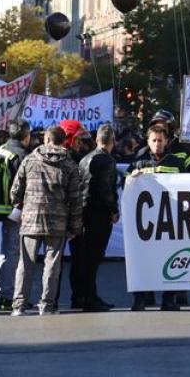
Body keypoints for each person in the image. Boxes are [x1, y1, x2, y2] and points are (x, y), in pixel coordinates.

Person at [10, 125, 83, 316]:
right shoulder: (70, 164)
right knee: (52, 264)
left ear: (47, 139)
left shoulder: (29, 159)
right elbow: (76, 199)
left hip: (30, 219)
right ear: (63, 141)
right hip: (57, 222)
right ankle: (47, 305)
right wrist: (75, 227)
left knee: (26, 263)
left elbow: (15, 190)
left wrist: (20, 207)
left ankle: (19, 304)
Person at [127, 123, 190, 311]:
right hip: (144, 222)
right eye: (153, 140)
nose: (157, 144)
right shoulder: (138, 162)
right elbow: (125, 186)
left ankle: (169, 299)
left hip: (169, 221)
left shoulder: (176, 163)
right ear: (148, 141)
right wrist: (131, 178)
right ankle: (140, 298)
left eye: (160, 140)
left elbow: (187, 187)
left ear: (166, 141)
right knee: (142, 260)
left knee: (169, 259)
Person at [72, 125, 118, 312]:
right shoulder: (107, 161)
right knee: (93, 258)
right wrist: (113, 209)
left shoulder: (84, 159)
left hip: (82, 212)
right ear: (112, 141)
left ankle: (80, 296)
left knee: (81, 258)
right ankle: (90, 298)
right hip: (98, 214)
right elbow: (105, 189)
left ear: (97, 140)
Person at [0, 120, 30, 311]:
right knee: (14, 253)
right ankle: (9, 295)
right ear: (26, 136)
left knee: (7, 252)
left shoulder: (1, 150)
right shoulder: (21, 155)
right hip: (16, 209)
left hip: (1, 209)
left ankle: (6, 294)